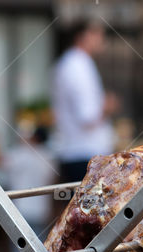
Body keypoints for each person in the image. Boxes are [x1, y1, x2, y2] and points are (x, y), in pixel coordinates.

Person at [51, 19, 119, 183]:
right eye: (96, 34)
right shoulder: (76, 65)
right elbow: (87, 116)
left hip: (81, 153)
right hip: (83, 154)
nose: (101, 39)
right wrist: (107, 107)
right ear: (82, 36)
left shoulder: (76, 63)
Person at [3, 126, 56, 238]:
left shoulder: (21, 154)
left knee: (19, 244)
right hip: (42, 210)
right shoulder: (49, 156)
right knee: (40, 243)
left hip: (20, 209)